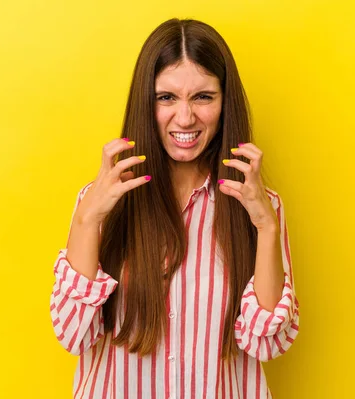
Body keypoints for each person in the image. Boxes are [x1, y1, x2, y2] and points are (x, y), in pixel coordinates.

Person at [50, 18, 300, 399]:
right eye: (166, 97)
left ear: (224, 101)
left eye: (203, 97)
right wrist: (88, 219)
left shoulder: (261, 209)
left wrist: (265, 227)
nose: (185, 118)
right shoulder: (101, 202)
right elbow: (73, 336)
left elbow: (267, 343)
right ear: (145, 102)